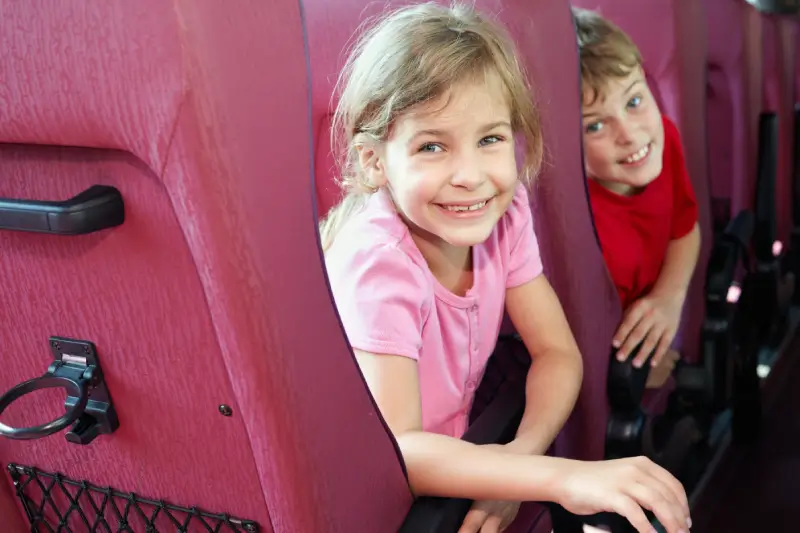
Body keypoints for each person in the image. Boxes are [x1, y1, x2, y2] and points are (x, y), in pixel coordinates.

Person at [321, 3, 691, 533]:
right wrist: (554, 477)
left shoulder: (506, 213)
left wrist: (520, 460)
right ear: (375, 161)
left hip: (457, 466)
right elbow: (400, 451)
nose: (470, 176)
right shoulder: (378, 262)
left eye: (490, 139)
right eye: (431, 146)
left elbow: (558, 354)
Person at [573, 8, 701, 389]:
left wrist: (669, 296)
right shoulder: (575, 220)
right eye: (595, 125)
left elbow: (685, 229)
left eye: (634, 102)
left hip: (657, 335)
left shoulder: (665, 138)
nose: (629, 134)